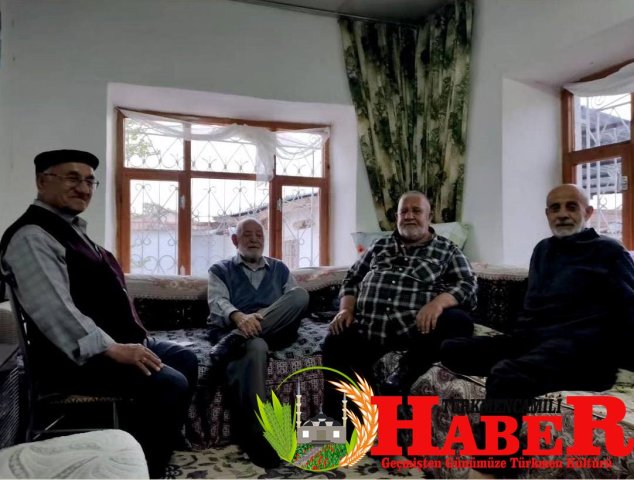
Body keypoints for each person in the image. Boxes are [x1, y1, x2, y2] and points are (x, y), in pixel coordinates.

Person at [0, 150, 199, 478]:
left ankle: (153, 435)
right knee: (170, 383)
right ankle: (145, 468)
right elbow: (54, 310)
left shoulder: (71, 229)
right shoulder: (32, 236)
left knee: (186, 358)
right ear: (42, 181)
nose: (83, 188)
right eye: (72, 178)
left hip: (109, 347)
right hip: (73, 360)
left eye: (90, 181)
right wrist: (114, 348)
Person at [440, 184, 634, 479]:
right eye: (555, 208)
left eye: (571, 207)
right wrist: (517, 339)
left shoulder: (610, 252)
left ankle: (494, 464)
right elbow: (531, 306)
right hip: (534, 342)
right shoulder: (542, 250)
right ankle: (527, 370)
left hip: (583, 352)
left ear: (588, 212)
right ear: (547, 214)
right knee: (452, 350)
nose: (562, 214)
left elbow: (629, 310)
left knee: (506, 375)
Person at [322, 190, 477, 419]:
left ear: (429, 216)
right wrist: (346, 309)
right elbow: (352, 278)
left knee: (459, 321)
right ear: (396, 217)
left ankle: (403, 373)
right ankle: (351, 421)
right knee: (335, 340)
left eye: (416, 211)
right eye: (403, 211)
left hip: (415, 333)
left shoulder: (447, 250)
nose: (409, 216)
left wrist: (437, 303)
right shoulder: (379, 246)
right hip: (369, 329)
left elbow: (468, 286)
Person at [207, 217, 308, 468]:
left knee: (300, 295)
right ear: (235, 240)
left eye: (259, 235)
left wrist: (260, 319)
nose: (254, 239)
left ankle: (234, 341)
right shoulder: (220, 270)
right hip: (237, 327)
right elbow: (217, 302)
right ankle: (258, 437)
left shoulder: (280, 268)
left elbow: (293, 303)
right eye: (247, 235)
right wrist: (239, 317)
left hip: (275, 329)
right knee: (256, 346)